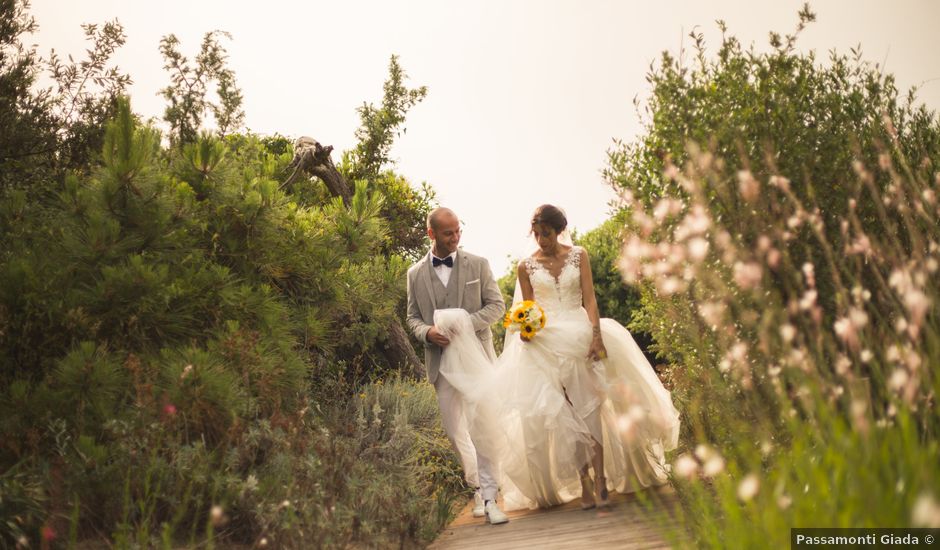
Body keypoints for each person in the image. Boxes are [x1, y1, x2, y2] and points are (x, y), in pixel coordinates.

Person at [432, 204, 680, 511]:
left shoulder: (580, 255)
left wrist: (597, 335)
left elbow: (589, 299)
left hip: (580, 336)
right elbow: (529, 308)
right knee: (566, 414)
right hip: (546, 344)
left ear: (558, 230)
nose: (540, 240)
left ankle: (602, 480)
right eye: (536, 234)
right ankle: (585, 481)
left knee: (591, 407)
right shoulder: (526, 266)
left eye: (546, 233)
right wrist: (525, 330)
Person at [405, 207, 509, 524]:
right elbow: (411, 318)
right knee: (454, 431)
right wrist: (428, 333)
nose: (456, 237)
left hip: (476, 359)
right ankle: (477, 485)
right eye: (448, 233)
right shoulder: (414, 274)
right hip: (441, 364)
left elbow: (497, 306)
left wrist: (466, 324)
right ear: (431, 234)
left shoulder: (478, 264)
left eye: (458, 231)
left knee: (482, 425)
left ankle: (490, 497)